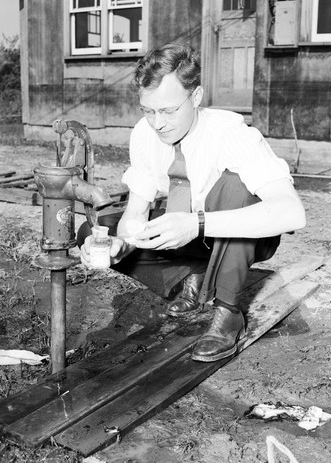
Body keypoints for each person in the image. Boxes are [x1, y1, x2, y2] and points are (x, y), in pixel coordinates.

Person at [79, 43, 306, 363]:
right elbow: (135, 214)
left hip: (242, 234)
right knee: (95, 231)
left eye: (168, 110)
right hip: (189, 231)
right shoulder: (144, 134)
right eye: (148, 110)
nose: (157, 123)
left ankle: (228, 313)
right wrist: (121, 243)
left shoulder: (231, 133)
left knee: (234, 184)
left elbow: (292, 213)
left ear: (196, 97)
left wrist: (197, 223)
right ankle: (192, 278)